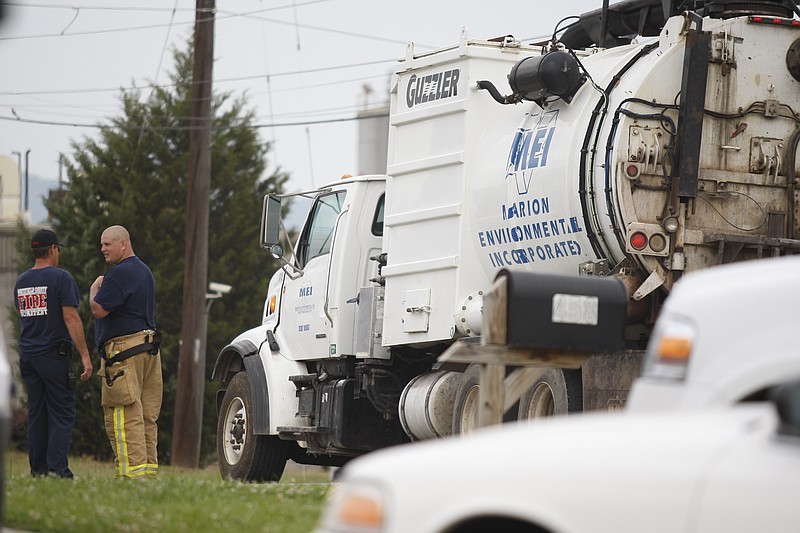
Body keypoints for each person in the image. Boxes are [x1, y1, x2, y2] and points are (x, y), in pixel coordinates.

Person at [14, 228, 93, 478]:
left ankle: (38, 470)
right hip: (52, 354)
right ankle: (58, 470)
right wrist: (85, 356)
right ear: (53, 250)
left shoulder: (22, 281)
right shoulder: (61, 278)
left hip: (28, 355)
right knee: (62, 412)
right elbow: (70, 316)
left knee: (37, 413)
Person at [90, 225, 162, 479]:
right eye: (102, 244)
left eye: (107, 244)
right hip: (148, 351)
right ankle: (147, 473)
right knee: (145, 416)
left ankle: (131, 476)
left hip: (124, 353)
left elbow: (99, 309)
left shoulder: (119, 273)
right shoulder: (144, 271)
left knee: (124, 413)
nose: (102, 249)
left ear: (123, 244)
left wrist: (93, 291)